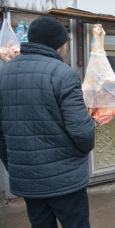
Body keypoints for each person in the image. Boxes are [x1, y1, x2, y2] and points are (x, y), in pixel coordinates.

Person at [0, 16, 95, 227]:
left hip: (27, 179)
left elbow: (1, 137)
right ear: (60, 45)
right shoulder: (64, 74)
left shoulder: (3, 73)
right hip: (65, 180)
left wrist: (17, 166)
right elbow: (83, 133)